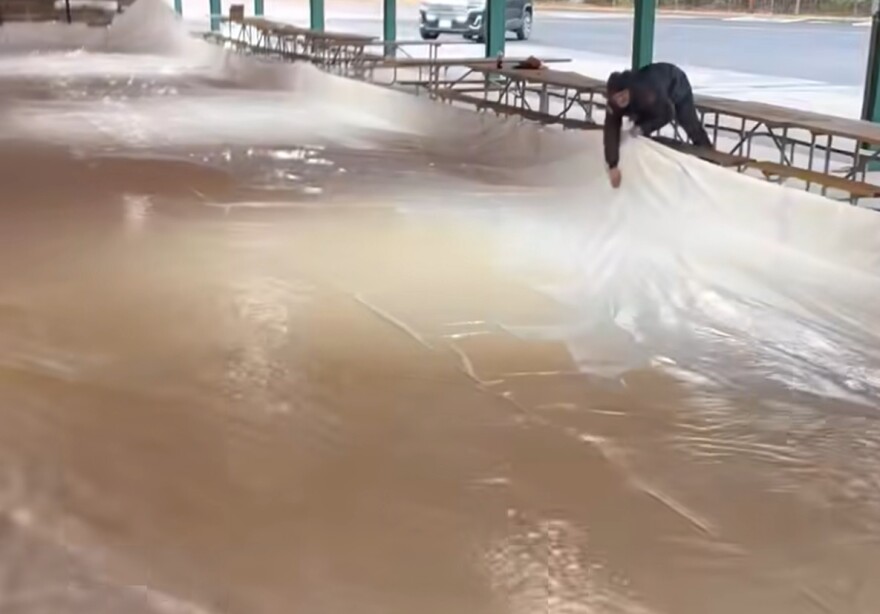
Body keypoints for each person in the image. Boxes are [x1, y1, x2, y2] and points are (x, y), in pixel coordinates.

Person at [603, 62, 712, 188]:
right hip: (653, 94)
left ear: (629, 90)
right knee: (637, 133)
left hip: (676, 83)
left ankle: (710, 160)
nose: (620, 100)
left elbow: (667, 114)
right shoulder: (613, 105)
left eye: (623, 95)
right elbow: (610, 131)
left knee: (689, 123)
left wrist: (643, 128)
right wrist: (612, 165)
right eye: (616, 98)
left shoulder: (646, 93)